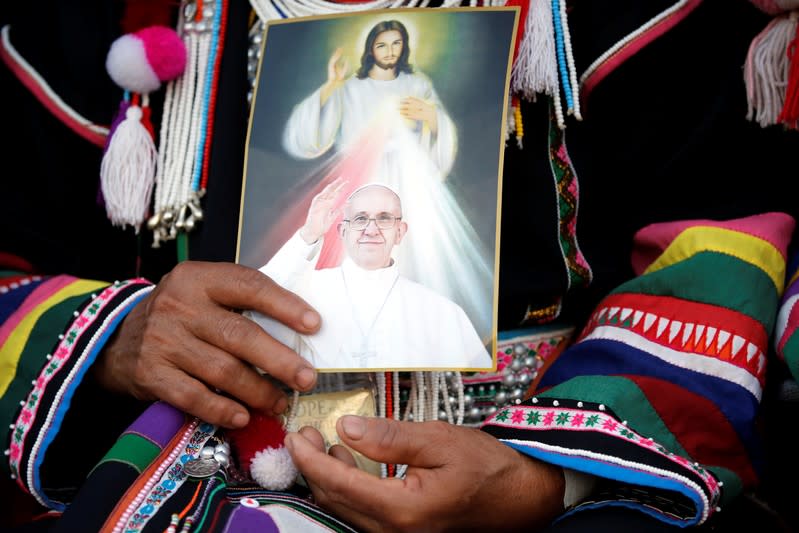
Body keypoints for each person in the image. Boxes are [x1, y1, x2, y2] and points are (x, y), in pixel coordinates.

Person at [2, 1, 798, 532]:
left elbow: (719, 242)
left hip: (553, 478)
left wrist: (549, 476)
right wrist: (118, 339)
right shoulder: (96, 18)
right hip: (214, 474)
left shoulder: (632, 13)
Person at [276, 18, 495, 342]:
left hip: (409, 182)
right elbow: (310, 137)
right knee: (354, 252)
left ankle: (411, 330)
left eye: (396, 44)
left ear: (405, 46)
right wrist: (332, 86)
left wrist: (433, 118)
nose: (390, 51)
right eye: (382, 44)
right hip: (360, 180)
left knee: (417, 253)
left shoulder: (417, 83)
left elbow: (439, 130)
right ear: (370, 50)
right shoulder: (350, 86)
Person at [248, 179, 492, 370]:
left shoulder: (441, 311)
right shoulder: (303, 290)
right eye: (360, 218)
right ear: (342, 231)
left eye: (384, 219)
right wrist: (310, 233)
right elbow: (259, 312)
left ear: (400, 232)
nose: (371, 229)